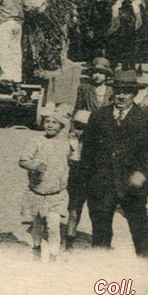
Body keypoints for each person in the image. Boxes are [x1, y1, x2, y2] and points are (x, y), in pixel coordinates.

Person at [80, 70, 148, 257]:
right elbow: (87, 153)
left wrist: (143, 173)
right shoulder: (99, 116)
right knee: (100, 235)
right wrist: (90, 181)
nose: (122, 96)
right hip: (102, 185)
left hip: (132, 185)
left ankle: (143, 273)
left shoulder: (145, 119)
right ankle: (101, 276)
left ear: (134, 94)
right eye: (119, 91)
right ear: (113, 92)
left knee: (140, 234)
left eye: (127, 92)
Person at [18, 105, 70, 262]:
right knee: (37, 224)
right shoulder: (37, 141)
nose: (50, 125)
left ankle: (54, 254)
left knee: (53, 225)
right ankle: (36, 248)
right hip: (37, 192)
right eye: (47, 121)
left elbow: (75, 160)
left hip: (56, 194)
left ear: (61, 126)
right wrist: (34, 166)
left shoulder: (67, 144)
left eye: (54, 123)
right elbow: (23, 160)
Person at [65, 108, 92, 251]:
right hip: (76, 178)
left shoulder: (96, 144)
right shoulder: (71, 142)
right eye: (77, 127)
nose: (79, 131)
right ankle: (69, 240)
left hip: (91, 178)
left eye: (84, 128)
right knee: (74, 210)